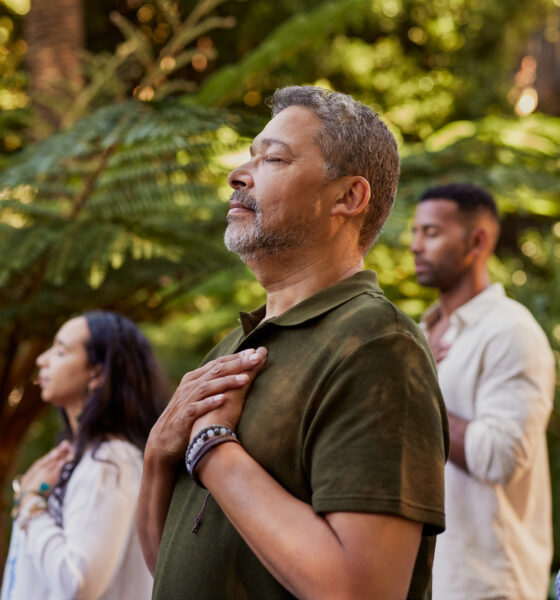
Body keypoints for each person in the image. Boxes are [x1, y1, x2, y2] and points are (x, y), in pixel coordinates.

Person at [138, 85, 449, 600]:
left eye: (274, 158)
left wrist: (211, 448)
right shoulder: (228, 350)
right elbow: (167, 565)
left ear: (348, 197)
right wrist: (158, 452)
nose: (238, 174)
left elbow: (362, 589)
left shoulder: (376, 345)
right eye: (249, 156)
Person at [411, 183, 554, 599]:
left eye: (432, 233)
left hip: (487, 585)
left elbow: (501, 456)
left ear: (477, 241)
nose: (416, 245)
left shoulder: (510, 332)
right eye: (416, 232)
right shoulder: (422, 333)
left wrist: (416, 394)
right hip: (424, 579)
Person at [1, 310, 167, 600]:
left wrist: (31, 504)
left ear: (98, 373)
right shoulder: (78, 457)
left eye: (61, 351)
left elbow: (76, 584)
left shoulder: (111, 461)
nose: (42, 359)